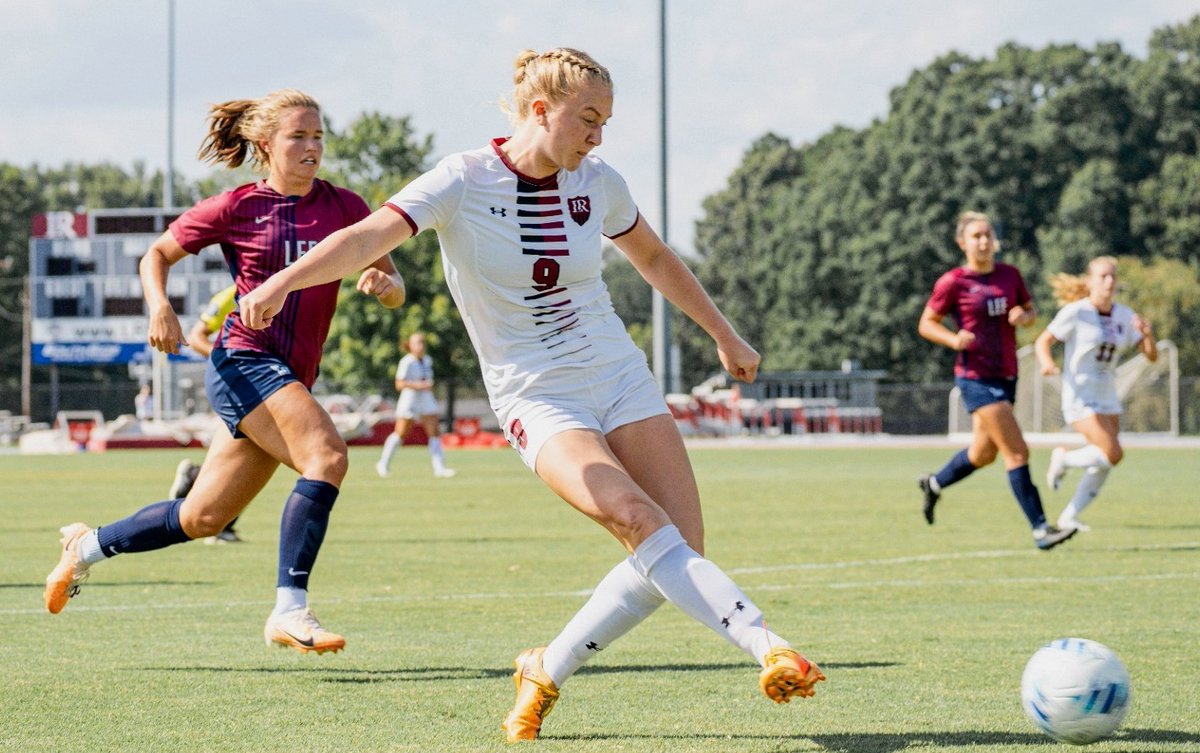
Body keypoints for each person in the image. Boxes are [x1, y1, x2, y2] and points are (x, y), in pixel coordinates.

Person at [238, 48, 824, 742]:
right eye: (588, 119)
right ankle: (769, 646)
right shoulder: (462, 178)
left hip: (619, 375)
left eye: (605, 122)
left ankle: (546, 668)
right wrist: (281, 283)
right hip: (536, 396)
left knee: (679, 544)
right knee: (639, 519)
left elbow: (658, 258)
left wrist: (725, 336)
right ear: (540, 112)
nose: (598, 137)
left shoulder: (598, 181)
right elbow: (367, 235)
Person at [44, 89, 405, 656]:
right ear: (266, 145)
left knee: (204, 516)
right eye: (298, 137)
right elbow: (155, 255)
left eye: (318, 137)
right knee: (327, 457)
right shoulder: (237, 206)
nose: (313, 148)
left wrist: (388, 287)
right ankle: (290, 609)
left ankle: (84, 548)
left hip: (289, 378)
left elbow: (395, 286)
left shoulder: (346, 206)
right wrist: (160, 306)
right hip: (244, 362)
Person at [916, 211, 1076, 550]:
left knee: (982, 453)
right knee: (1016, 451)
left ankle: (933, 483)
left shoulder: (1010, 275)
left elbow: (1030, 313)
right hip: (975, 377)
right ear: (962, 243)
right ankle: (1041, 529)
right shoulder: (953, 282)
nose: (984, 242)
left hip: (1007, 374)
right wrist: (953, 339)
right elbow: (927, 323)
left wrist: (1025, 316)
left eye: (988, 235)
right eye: (976, 236)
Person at [1034, 256, 1157, 531]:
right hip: (1080, 395)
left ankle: (1069, 516)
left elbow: (1150, 356)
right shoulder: (1076, 312)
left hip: (1108, 395)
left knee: (1105, 460)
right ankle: (1063, 458)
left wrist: (1147, 335)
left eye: (1113, 276)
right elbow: (1043, 340)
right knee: (1113, 453)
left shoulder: (1125, 315)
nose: (1110, 281)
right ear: (1089, 281)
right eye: (1103, 276)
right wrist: (1047, 362)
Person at [171, 284, 243, 544]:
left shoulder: (290, 284)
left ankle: (195, 480)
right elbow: (197, 336)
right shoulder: (231, 294)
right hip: (240, 384)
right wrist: (230, 361)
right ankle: (220, 523)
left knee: (244, 457)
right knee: (246, 456)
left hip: (268, 385)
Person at [375, 331, 456, 479]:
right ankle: (383, 463)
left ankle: (439, 468)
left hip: (425, 398)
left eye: (422, 342)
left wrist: (427, 386)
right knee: (401, 433)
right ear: (410, 346)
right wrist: (418, 385)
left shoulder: (427, 360)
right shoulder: (406, 362)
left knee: (434, 432)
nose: (421, 346)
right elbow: (399, 384)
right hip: (410, 399)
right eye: (417, 343)